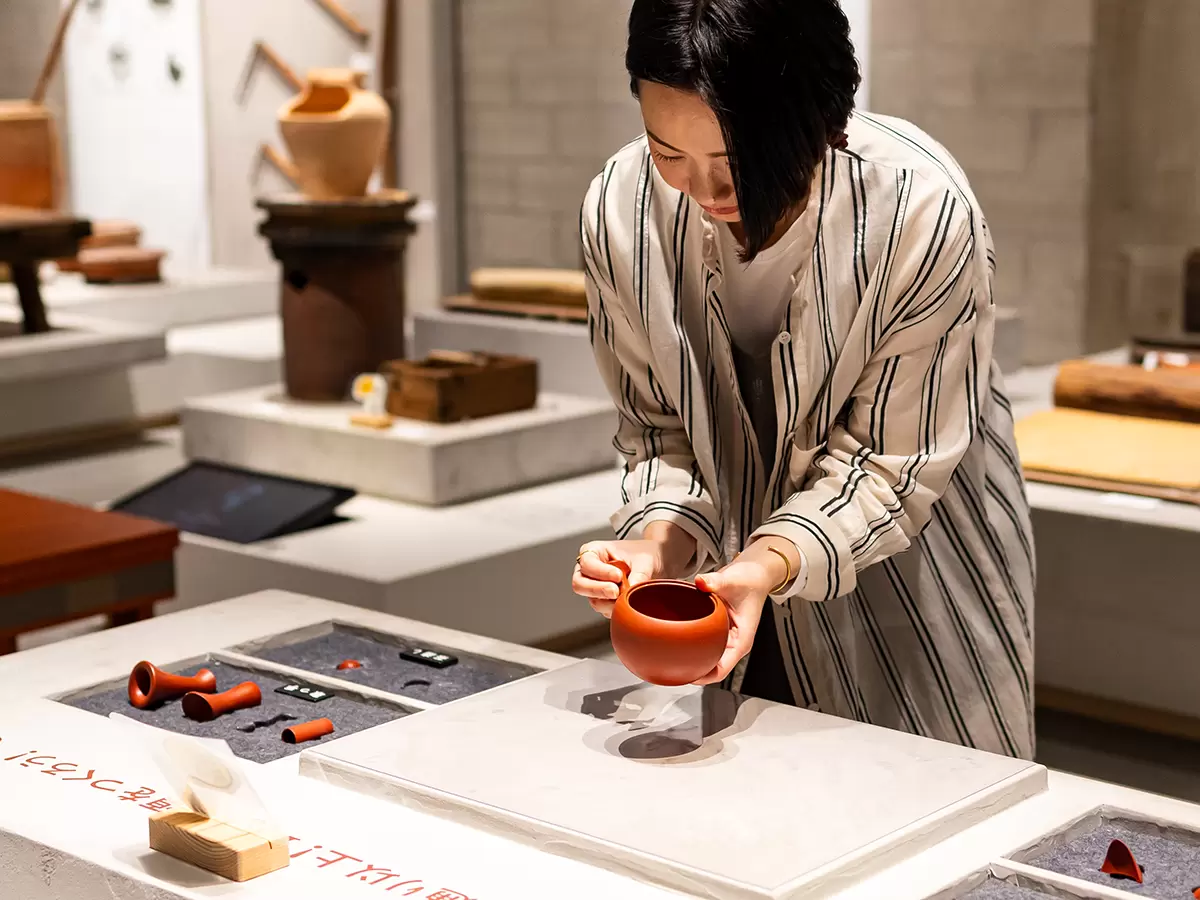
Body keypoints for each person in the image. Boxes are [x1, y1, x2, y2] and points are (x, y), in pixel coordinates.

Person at [571, 0, 1035, 759]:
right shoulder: (621, 211)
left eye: (735, 158)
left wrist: (766, 562)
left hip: (913, 578)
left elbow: (888, 468)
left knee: (917, 795)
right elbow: (656, 428)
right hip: (732, 593)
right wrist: (659, 545)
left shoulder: (918, 210)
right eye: (667, 151)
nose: (704, 189)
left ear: (822, 121)